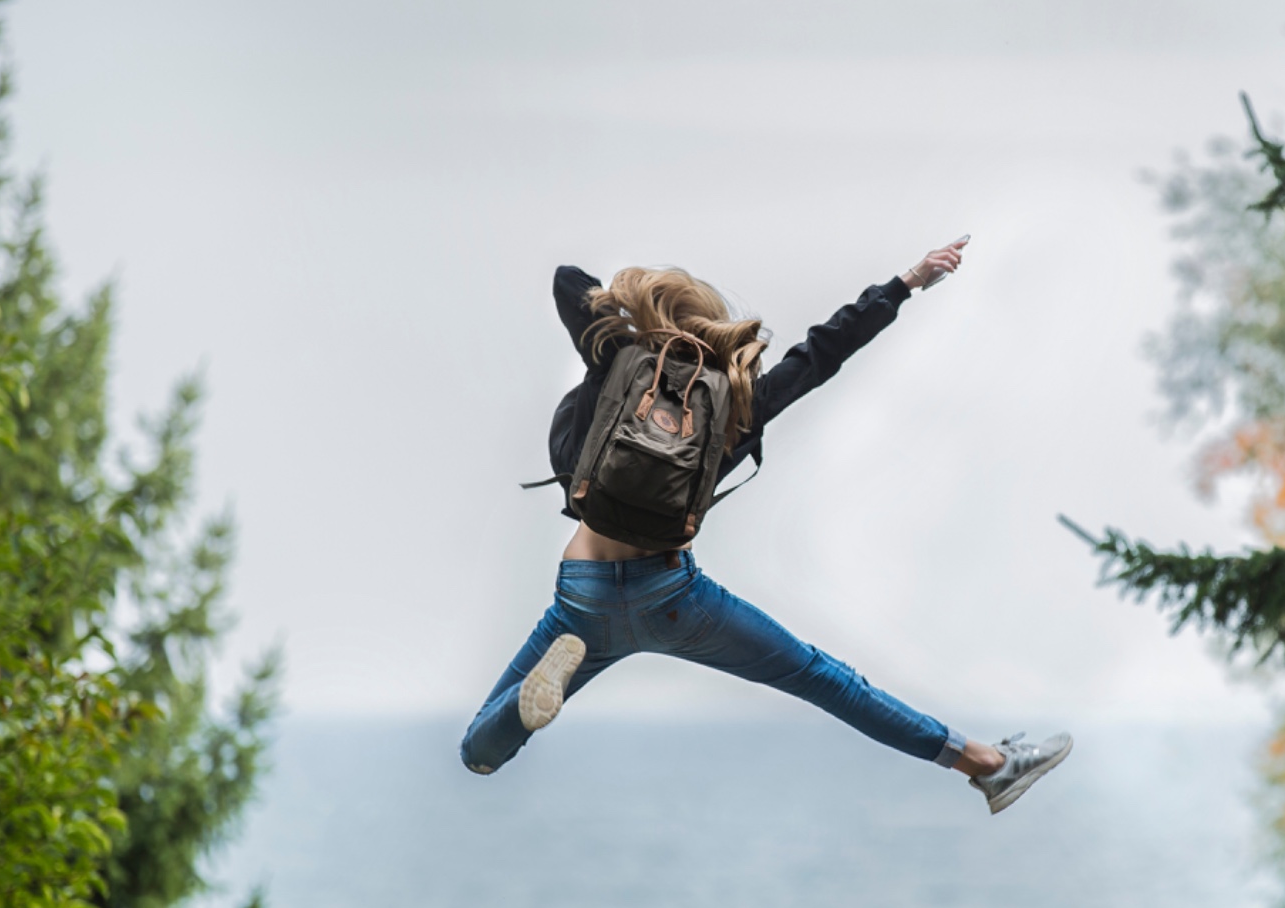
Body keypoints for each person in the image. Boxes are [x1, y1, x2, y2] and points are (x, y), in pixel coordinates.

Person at [459, 237, 1073, 814]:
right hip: (672, 597)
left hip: (583, 595)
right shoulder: (734, 401)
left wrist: (636, 320)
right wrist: (906, 282)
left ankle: (522, 708)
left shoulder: (617, 362)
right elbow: (821, 354)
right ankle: (986, 765)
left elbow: (570, 282)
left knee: (478, 753)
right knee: (824, 680)